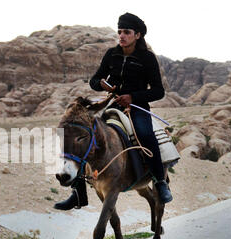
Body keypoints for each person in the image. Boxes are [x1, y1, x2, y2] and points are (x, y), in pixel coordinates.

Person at [54, 12, 173, 210]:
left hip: (136, 107)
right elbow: (94, 80)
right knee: (84, 138)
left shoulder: (147, 58)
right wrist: (100, 84)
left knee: (146, 135)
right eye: (119, 32)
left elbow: (158, 91)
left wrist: (133, 97)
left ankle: (160, 183)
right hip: (112, 105)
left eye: (126, 32)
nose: (121, 36)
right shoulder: (112, 54)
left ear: (137, 35)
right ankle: (78, 193)